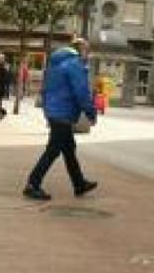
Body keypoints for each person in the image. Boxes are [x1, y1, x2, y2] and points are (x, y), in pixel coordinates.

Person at [24, 39, 98, 201]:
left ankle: (79, 184)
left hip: (55, 111)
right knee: (53, 151)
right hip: (63, 113)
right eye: (87, 51)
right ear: (79, 51)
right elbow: (81, 92)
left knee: (69, 149)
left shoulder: (55, 65)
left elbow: (45, 90)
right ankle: (32, 184)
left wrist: (48, 110)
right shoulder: (74, 65)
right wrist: (91, 112)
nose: (88, 55)